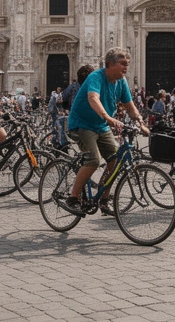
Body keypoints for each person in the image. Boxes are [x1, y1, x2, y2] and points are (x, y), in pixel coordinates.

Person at [62, 47, 146, 214]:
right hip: (82, 124)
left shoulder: (121, 82)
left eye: (127, 64)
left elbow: (130, 106)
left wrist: (140, 121)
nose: (126, 68)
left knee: (115, 160)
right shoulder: (96, 77)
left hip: (101, 126)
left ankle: (103, 198)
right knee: (93, 160)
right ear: (110, 64)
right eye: (122, 64)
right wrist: (107, 117)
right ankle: (72, 198)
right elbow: (93, 98)